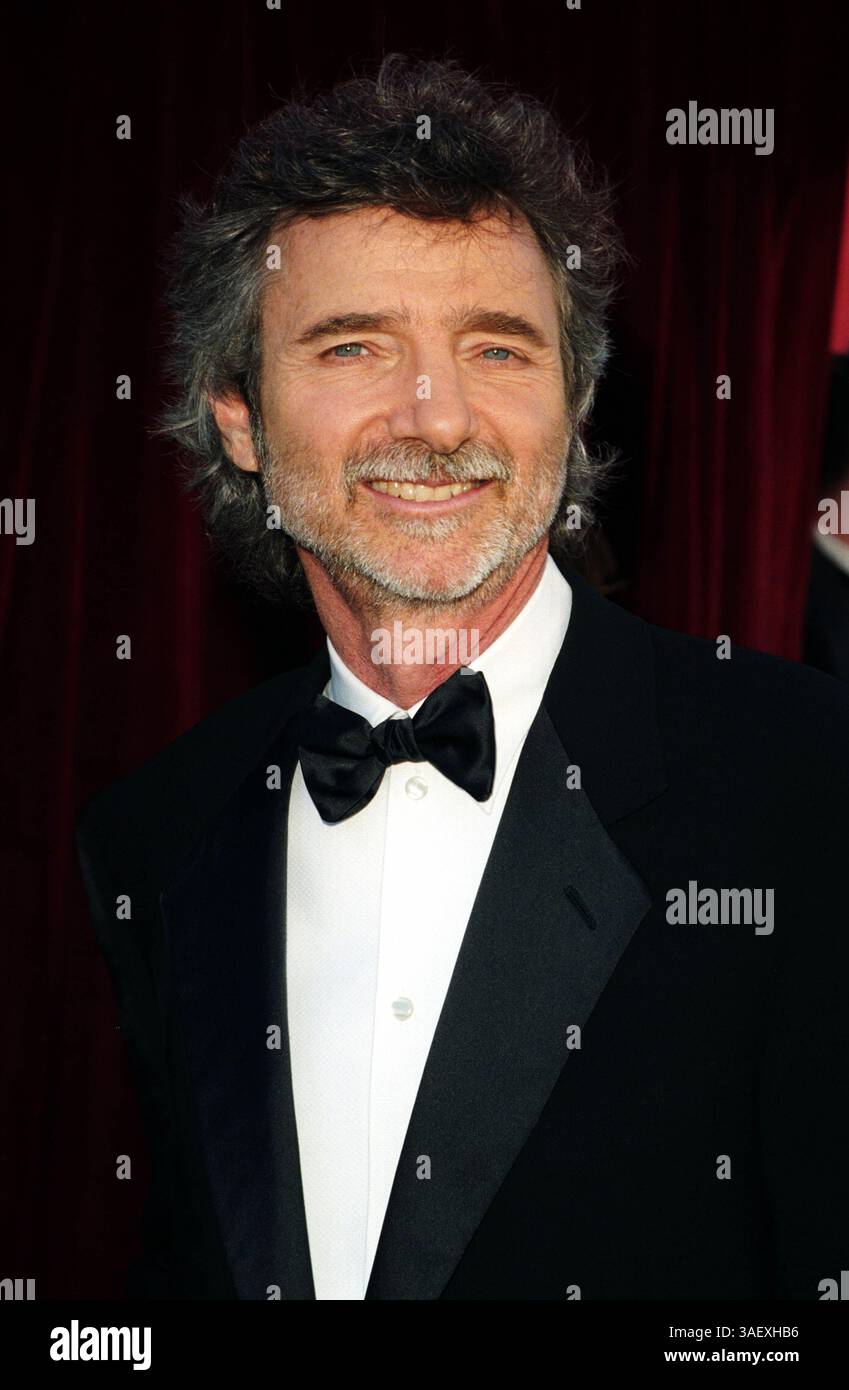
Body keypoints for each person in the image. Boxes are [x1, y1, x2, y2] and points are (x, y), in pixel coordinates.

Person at [76, 53, 849, 1301]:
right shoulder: (157, 831)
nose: (436, 419)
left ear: (576, 400)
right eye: (353, 347)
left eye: (497, 349)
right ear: (239, 415)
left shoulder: (809, 780)